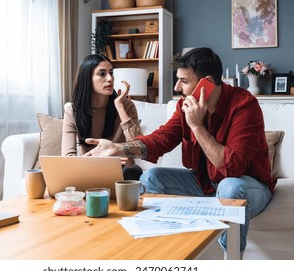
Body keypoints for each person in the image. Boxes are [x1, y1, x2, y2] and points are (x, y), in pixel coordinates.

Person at [84, 48, 275, 257]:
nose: (176, 87)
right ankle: (167, 253)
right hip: (204, 183)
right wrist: (118, 147)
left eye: (183, 81)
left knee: (229, 187)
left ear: (207, 83)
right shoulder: (185, 105)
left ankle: (230, 260)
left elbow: (231, 168)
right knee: (151, 176)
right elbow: (161, 139)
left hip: (248, 187)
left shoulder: (244, 105)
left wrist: (197, 126)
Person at [62, 54, 143, 180]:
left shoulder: (126, 106)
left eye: (111, 73)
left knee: (133, 171)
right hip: (87, 169)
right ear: (87, 78)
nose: (110, 78)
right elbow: (68, 158)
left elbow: (139, 145)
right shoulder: (72, 112)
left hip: (121, 169)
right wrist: (100, 160)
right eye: (102, 74)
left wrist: (119, 106)